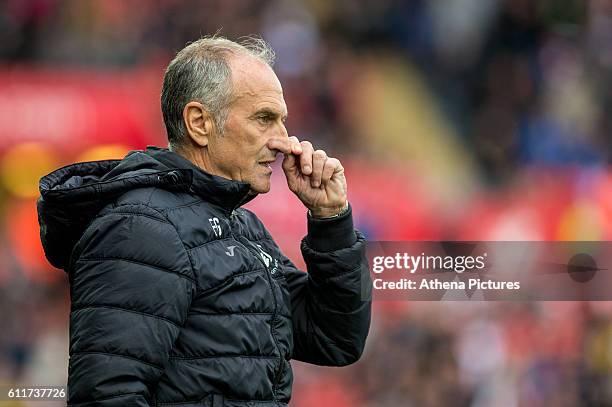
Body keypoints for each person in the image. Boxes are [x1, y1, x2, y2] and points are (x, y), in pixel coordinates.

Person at [37, 36, 372, 406]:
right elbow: (107, 395)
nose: (284, 141)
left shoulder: (243, 227)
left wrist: (330, 220)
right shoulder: (141, 228)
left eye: (282, 121)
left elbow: (335, 339)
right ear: (200, 123)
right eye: (265, 119)